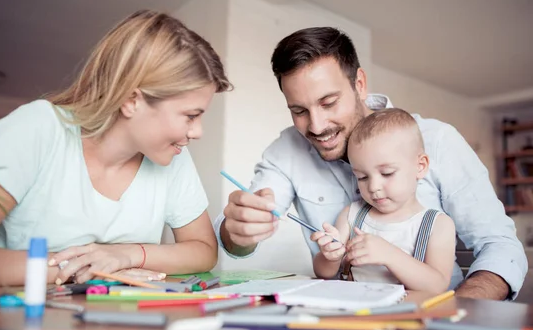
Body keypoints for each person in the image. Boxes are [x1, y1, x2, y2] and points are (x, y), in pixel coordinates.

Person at [215, 26, 528, 300]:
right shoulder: (287, 151)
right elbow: (237, 240)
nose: (317, 125)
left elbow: (500, 246)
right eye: (299, 110)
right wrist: (239, 228)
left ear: (359, 84)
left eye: (328, 102)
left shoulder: (438, 140)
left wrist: (456, 310)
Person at [0, 10, 232, 286]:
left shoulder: (172, 155)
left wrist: (127, 255)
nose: (198, 132)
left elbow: (203, 250)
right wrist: (88, 269)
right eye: (190, 116)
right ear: (131, 100)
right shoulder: (36, 129)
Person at [312, 108, 456, 294]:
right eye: (362, 177)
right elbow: (323, 273)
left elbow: (437, 286)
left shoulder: (437, 225)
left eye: (387, 173)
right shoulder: (351, 215)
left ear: (420, 167)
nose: (373, 187)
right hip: (356, 315)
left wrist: (390, 255)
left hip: (407, 318)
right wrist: (329, 258)